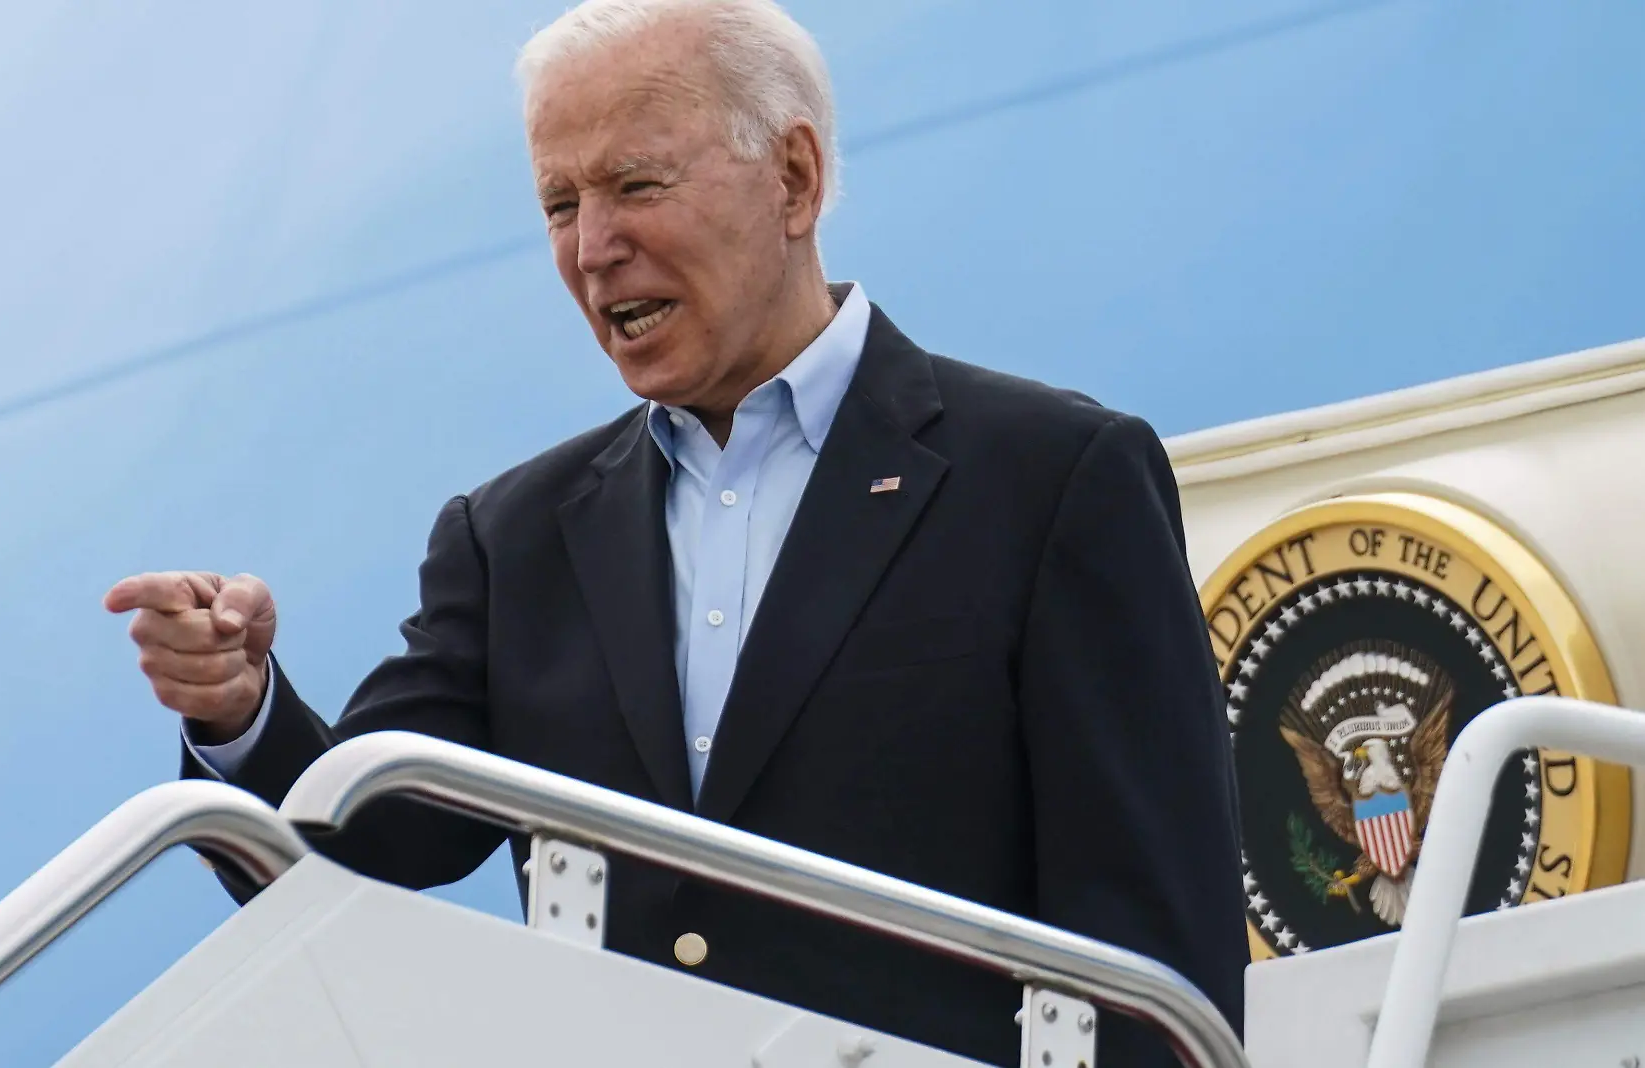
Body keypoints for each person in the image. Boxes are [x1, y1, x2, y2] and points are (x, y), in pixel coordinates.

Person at [103, 0, 1247, 1062]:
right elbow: (360, 847)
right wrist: (235, 710)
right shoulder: (516, 539)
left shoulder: (1049, 478)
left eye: (634, 185)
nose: (592, 246)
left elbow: (1152, 948)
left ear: (793, 179)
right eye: (560, 204)